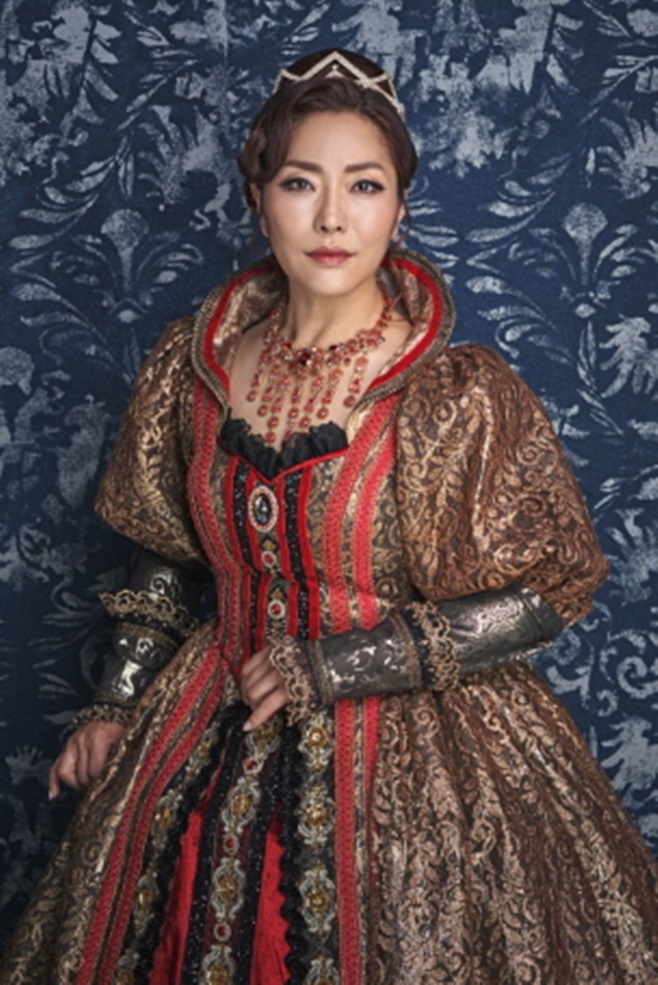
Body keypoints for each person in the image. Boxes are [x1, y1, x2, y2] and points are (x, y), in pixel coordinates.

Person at [2, 48, 657, 985]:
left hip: (420, 753)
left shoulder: (454, 392)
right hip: (204, 717)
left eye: (366, 185)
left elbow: (546, 591)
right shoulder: (193, 369)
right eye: (301, 183)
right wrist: (114, 703)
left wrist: (343, 662)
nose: (333, 218)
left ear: (400, 204)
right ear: (258, 197)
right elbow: (167, 553)